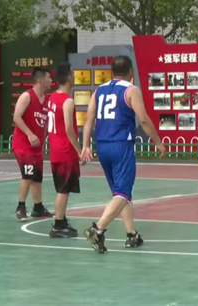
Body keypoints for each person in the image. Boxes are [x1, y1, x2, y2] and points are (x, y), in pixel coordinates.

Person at [80, 56, 167, 253]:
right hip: (121, 145)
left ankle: (131, 234)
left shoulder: (99, 91)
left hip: (102, 146)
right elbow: (143, 119)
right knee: (123, 192)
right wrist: (158, 142)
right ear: (131, 72)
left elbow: (89, 119)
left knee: (120, 193)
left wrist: (85, 145)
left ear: (111, 72)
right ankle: (98, 229)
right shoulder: (131, 90)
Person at [12, 67, 53, 221]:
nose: (51, 81)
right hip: (23, 145)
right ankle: (20, 207)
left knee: (37, 177)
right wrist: (29, 134)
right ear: (40, 80)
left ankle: (38, 207)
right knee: (28, 175)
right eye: (48, 78)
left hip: (37, 146)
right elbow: (17, 117)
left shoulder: (47, 99)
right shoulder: (27, 96)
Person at [47, 63, 83, 238]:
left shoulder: (53, 98)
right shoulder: (67, 101)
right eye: (73, 74)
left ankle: (61, 220)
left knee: (62, 189)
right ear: (68, 77)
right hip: (65, 151)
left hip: (55, 150)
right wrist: (80, 151)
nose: (74, 77)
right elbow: (69, 129)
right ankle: (58, 225)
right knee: (63, 191)